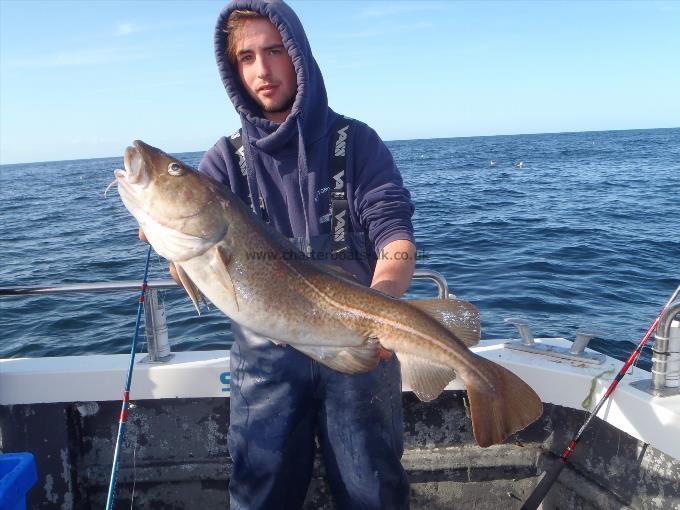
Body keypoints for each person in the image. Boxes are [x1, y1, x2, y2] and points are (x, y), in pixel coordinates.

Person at [146, 1, 416, 508]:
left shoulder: (358, 143)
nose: (262, 70)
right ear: (233, 70)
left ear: (300, 54)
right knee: (260, 498)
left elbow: (395, 237)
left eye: (274, 50)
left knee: (373, 495)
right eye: (246, 57)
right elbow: (199, 258)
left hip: (358, 348)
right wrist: (169, 239)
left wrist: (380, 308)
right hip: (265, 360)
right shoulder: (223, 162)